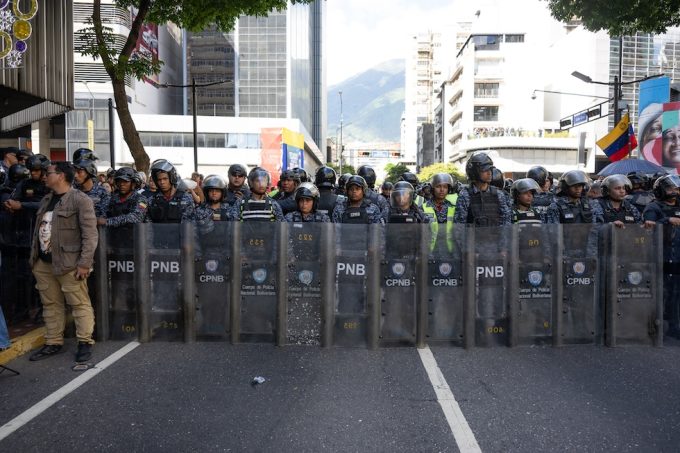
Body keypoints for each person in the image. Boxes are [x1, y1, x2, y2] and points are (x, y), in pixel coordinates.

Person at [28, 162, 98, 362]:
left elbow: (90, 235)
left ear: (60, 176)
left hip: (69, 263)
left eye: (48, 173)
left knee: (79, 304)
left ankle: (85, 342)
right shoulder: (46, 199)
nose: (44, 176)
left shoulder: (80, 200)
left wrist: (84, 263)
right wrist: (34, 260)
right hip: (43, 263)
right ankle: (53, 342)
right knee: (50, 304)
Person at [642, 174, 680, 338]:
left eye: (677, 189)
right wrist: (666, 220)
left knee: (676, 293)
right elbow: (647, 228)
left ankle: (674, 326)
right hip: (659, 255)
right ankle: (653, 326)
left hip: (677, 256)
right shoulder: (653, 207)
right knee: (659, 292)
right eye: (671, 188)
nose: (675, 192)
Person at [454, 153, 512, 226]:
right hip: (473, 237)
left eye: (490, 169)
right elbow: (459, 225)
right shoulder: (465, 195)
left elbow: (506, 222)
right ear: (475, 172)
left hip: (495, 236)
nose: (489, 173)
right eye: (484, 170)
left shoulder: (498, 194)